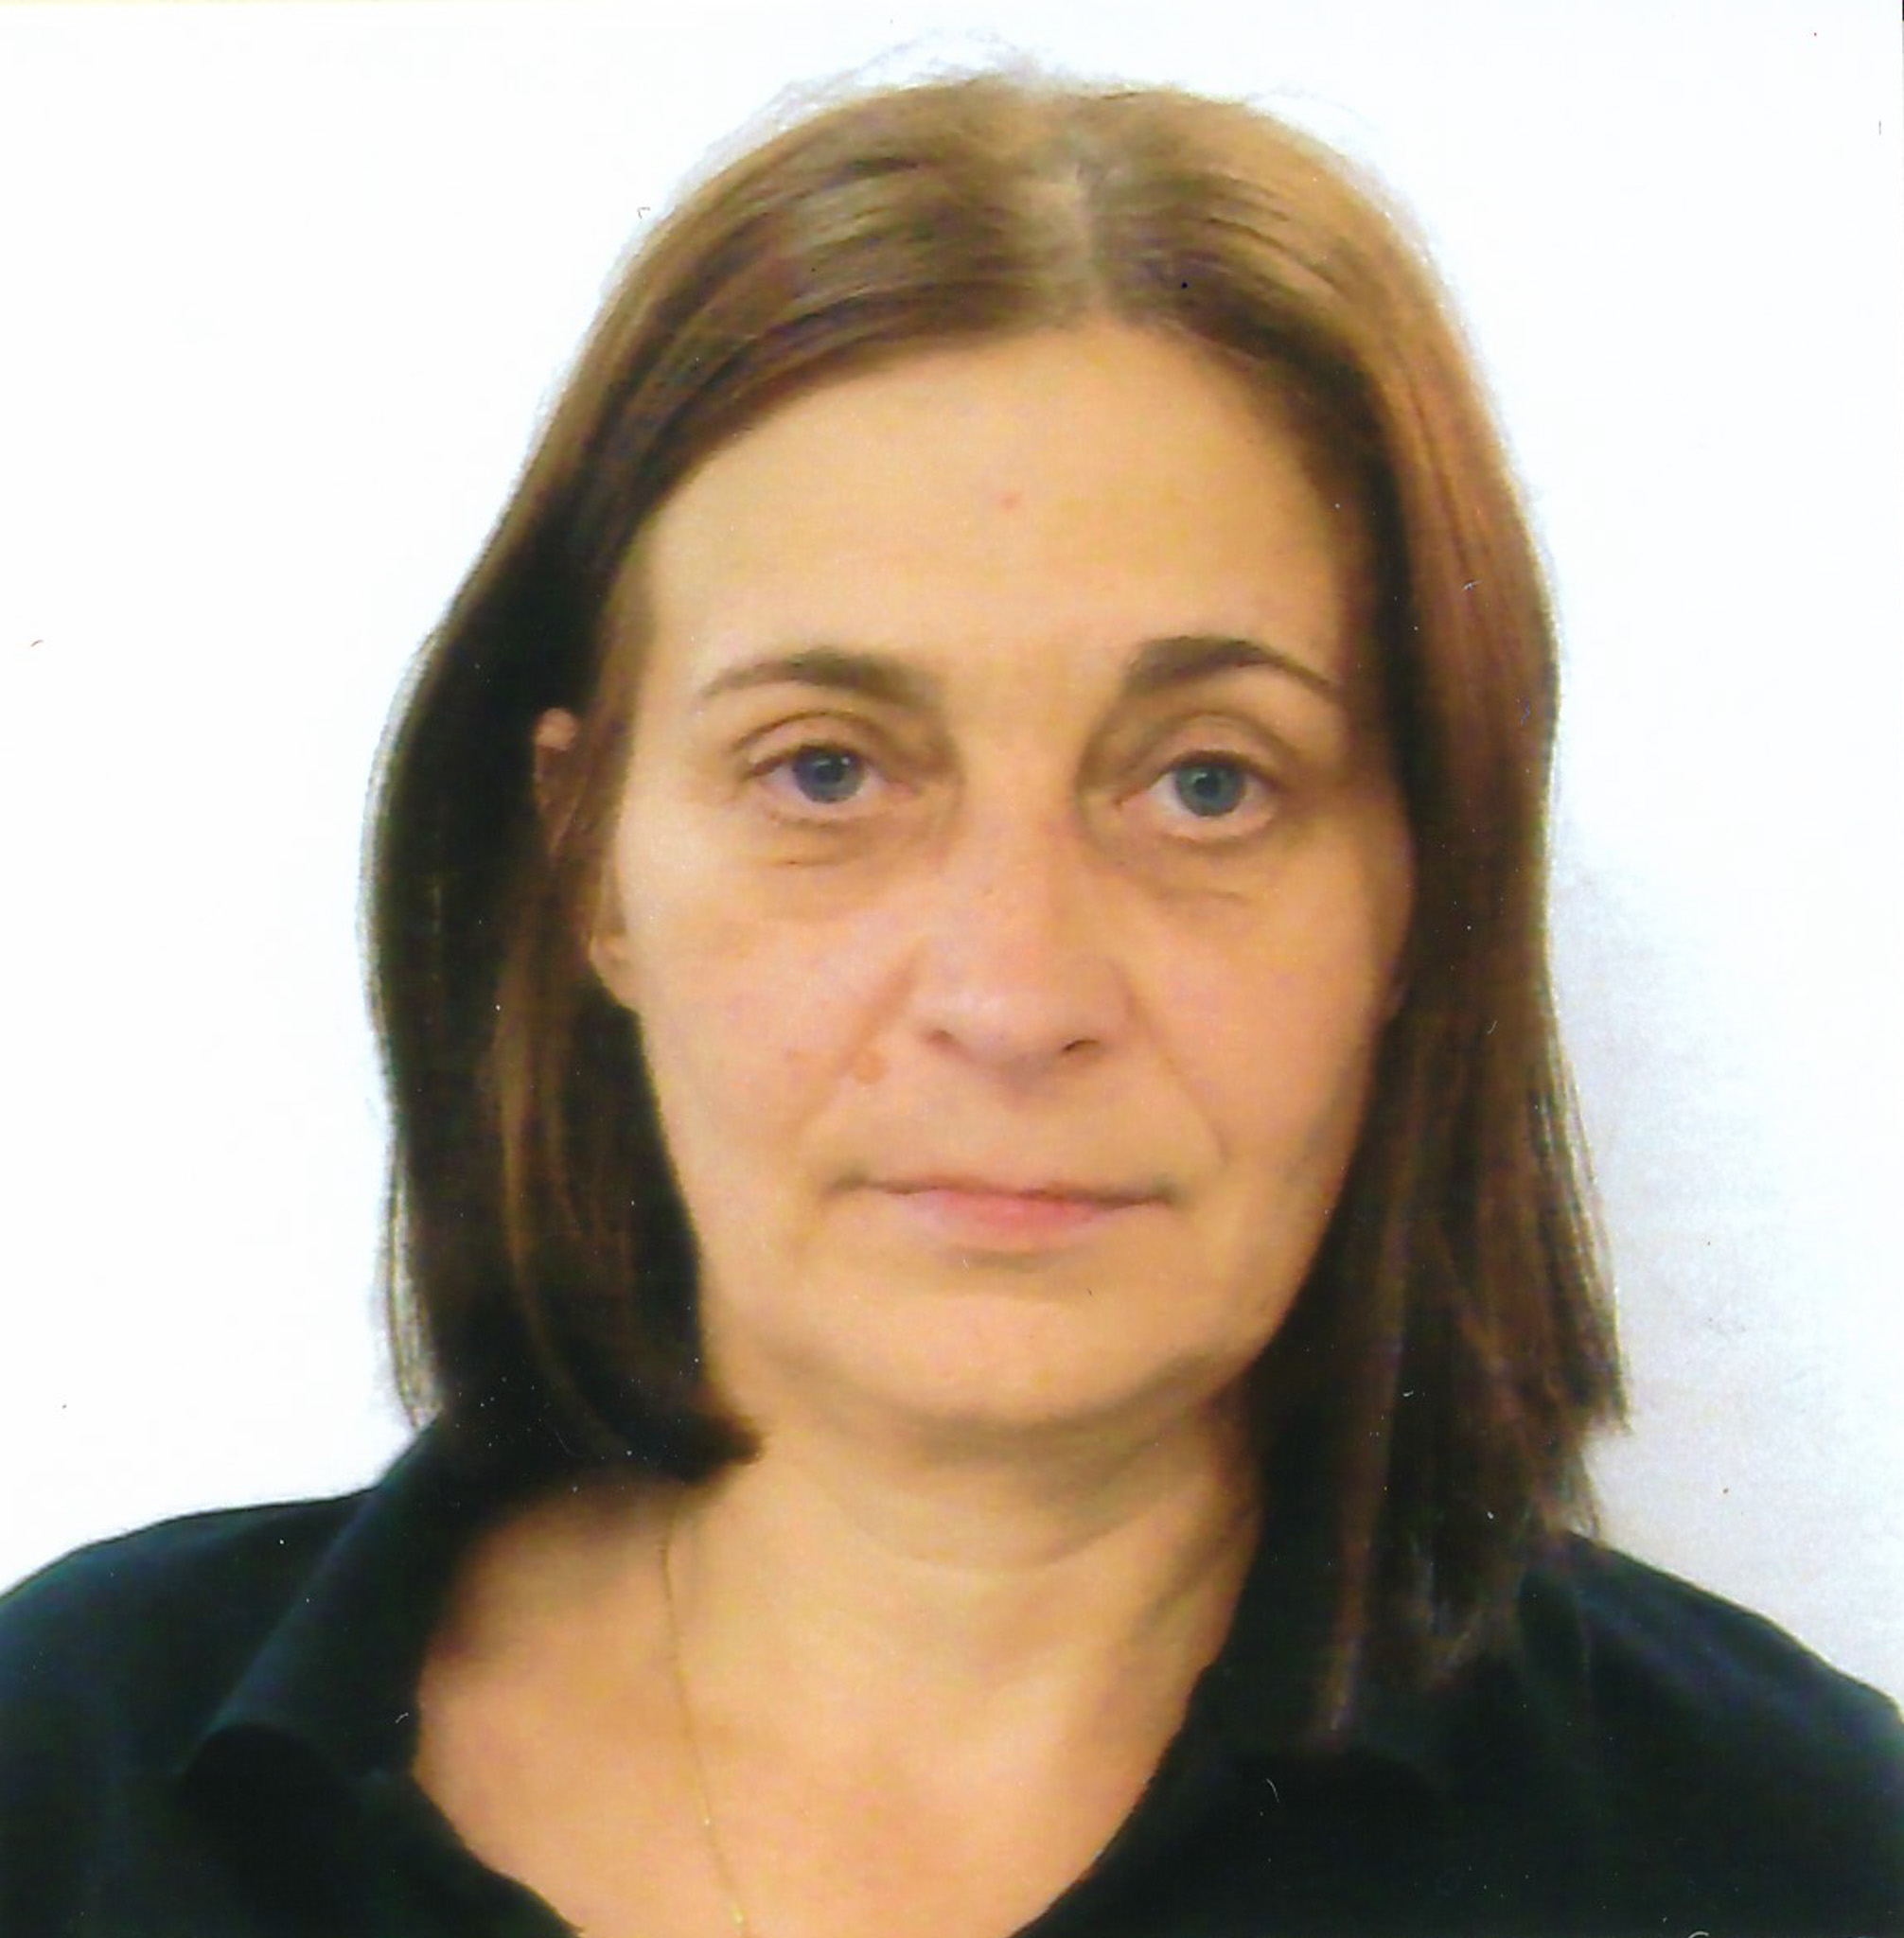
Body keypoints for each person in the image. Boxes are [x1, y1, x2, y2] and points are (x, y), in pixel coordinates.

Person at [1, 69, 1897, 1938]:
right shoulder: (58, 1776)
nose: (1013, 994)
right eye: (824, 771)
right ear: (587, 866)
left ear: (1421, 894)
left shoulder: (1801, 1860)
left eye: (1208, 783)